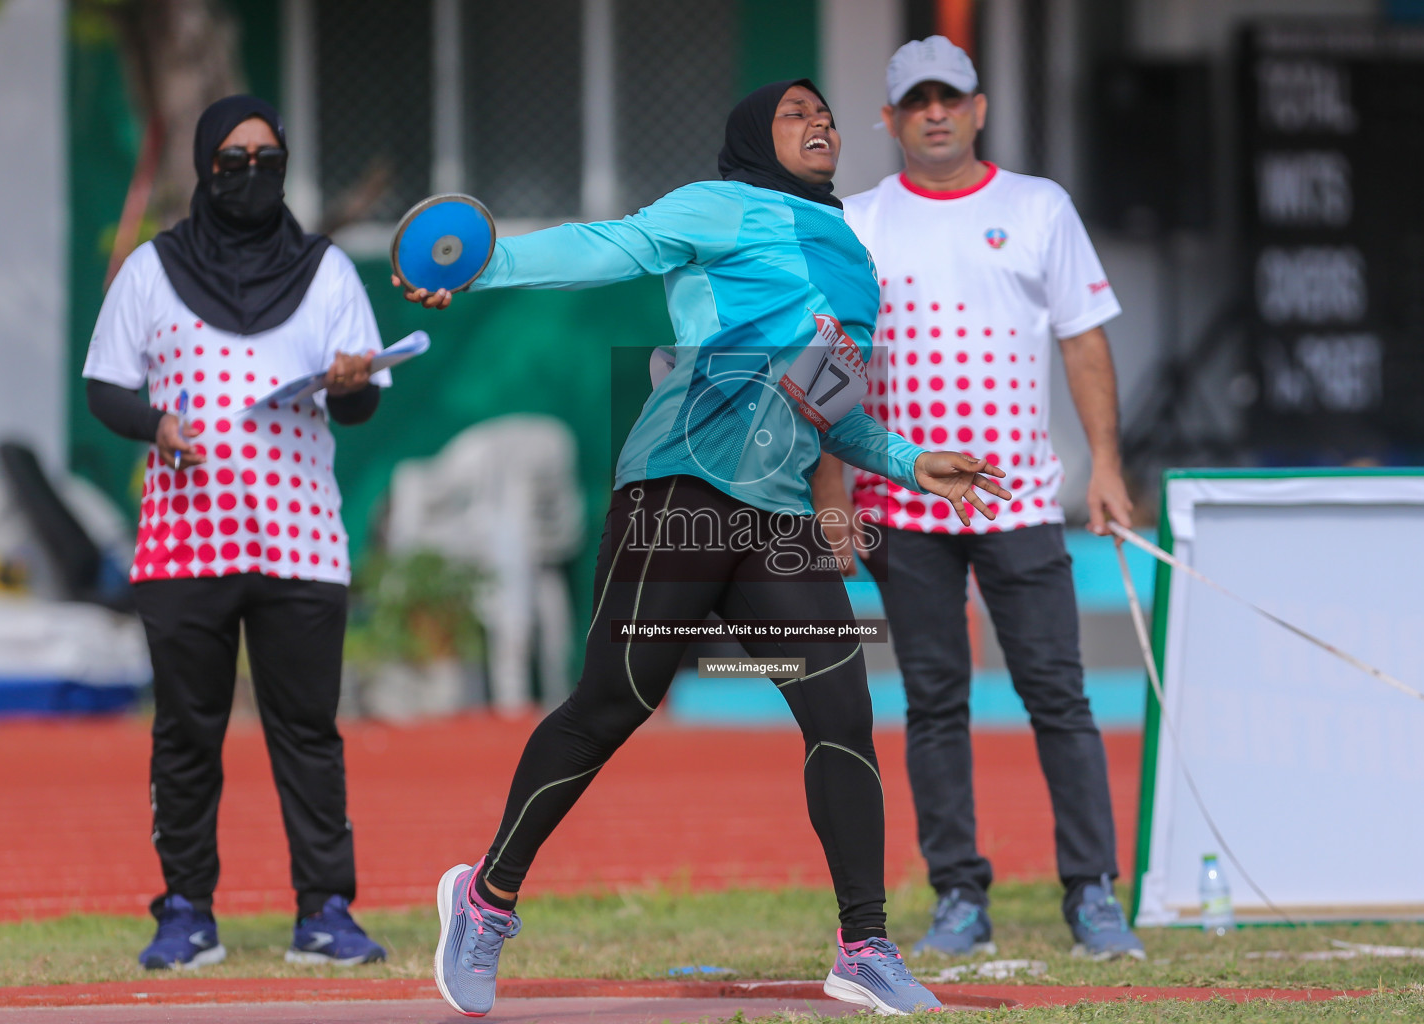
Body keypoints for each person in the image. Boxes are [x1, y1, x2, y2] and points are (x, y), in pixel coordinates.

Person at [397, 79, 1011, 1017]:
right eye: (795, 113)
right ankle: (484, 899)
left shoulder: (852, 259)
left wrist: (911, 460)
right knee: (613, 703)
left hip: (775, 511)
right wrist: (478, 266)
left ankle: (865, 946)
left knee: (841, 711)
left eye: (827, 115)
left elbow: (826, 404)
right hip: (681, 480)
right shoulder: (719, 204)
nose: (820, 124)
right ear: (752, 137)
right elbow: (608, 248)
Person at [815, 36, 1144, 960]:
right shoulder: (859, 221)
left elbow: (1083, 341)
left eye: (949, 97)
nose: (934, 112)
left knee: (1058, 697)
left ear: (979, 108)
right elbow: (832, 364)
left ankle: (1092, 892)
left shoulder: (1039, 208)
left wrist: (1107, 466)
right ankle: (958, 892)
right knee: (934, 701)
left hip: (1019, 504)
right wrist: (832, 492)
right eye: (915, 100)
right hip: (905, 510)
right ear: (887, 119)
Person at [83, 95, 390, 970]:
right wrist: (156, 427)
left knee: (307, 731)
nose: (252, 174)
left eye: (268, 158)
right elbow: (106, 386)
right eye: (233, 159)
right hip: (185, 546)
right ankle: (186, 912)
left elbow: (362, 403)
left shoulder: (327, 272)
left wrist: (347, 380)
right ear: (204, 165)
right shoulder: (152, 270)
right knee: (186, 733)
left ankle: (325, 912)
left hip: (301, 545)